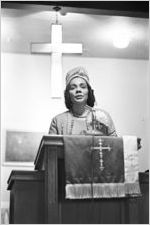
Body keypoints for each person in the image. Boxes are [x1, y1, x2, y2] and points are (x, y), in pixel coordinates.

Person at [49, 66, 117, 136]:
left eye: (83, 87)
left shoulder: (103, 117)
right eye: (73, 87)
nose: (78, 90)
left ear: (89, 92)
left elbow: (115, 144)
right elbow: (50, 146)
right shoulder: (58, 120)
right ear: (68, 94)